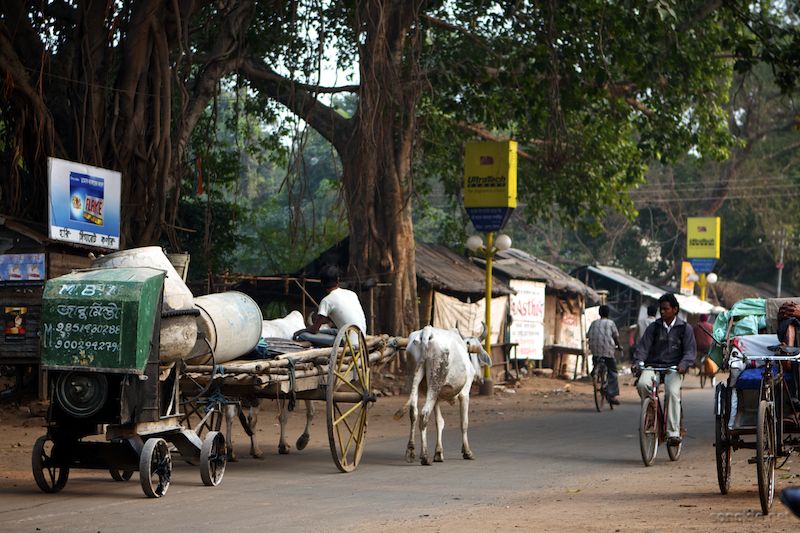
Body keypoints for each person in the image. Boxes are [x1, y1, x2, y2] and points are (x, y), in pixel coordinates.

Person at [633, 293, 696, 447]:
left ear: (675, 309)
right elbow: (643, 348)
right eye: (660, 309)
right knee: (642, 384)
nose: (662, 312)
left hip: (674, 369)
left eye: (665, 309)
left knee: (672, 393)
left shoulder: (685, 328)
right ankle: (650, 414)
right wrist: (638, 362)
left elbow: (690, 352)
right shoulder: (653, 327)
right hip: (653, 366)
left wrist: (684, 364)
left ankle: (673, 432)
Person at [293, 265, 367, 346]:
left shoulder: (327, 301)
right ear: (338, 280)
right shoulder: (352, 294)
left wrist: (301, 331)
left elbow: (315, 329)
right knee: (333, 331)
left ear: (322, 283)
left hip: (349, 343)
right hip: (361, 337)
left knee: (303, 335)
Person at [587, 304, 621, 405]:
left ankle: (595, 371)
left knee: (596, 360)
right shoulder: (611, 323)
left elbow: (588, 335)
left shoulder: (593, 323)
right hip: (607, 352)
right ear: (608, 313)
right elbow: (615, 337)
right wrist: (619, 346)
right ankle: (612, 395)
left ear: (599, 313)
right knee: (613, 372)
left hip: (595, 352)